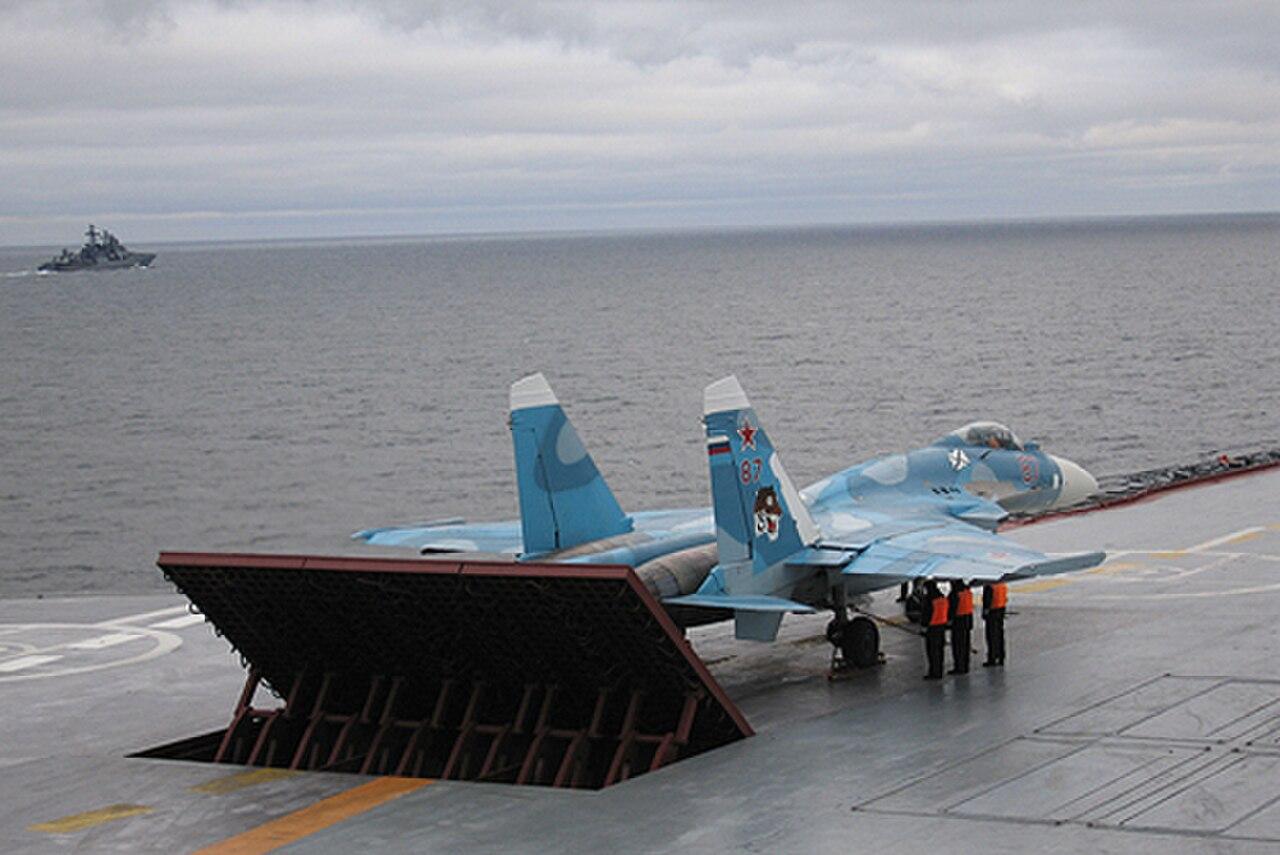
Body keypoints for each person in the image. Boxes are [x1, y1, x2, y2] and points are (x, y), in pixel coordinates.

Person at [920, 580, 949, 679]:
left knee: (932, 652)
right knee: (940, 650)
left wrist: (924, 627)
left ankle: (934, 672)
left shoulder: (929, 599)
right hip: (941, 626)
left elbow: (926, 614)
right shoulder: (942, 597)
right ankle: (939, 670)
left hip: (932, 628)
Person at [948, 580, 973, 674]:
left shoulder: (954, 594)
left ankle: (959, 666)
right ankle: (965, 665)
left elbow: (952, 609)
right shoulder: (968, 591)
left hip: (958, 622)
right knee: (966, 644)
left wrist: (949, 621)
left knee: (958, 646)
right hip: (967, 620)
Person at [983, 581, 1008, 666]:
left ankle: (992, 658)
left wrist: (985, 611)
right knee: (1000, 634)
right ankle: (1001, 656)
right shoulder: (1002, 585)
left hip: (992, 612)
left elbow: (987, 601)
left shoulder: (990, 586)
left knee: (991, 636)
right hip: (1001, 610)